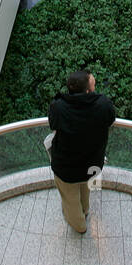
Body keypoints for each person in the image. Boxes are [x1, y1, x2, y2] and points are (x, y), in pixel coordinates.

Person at [47, 69, 115, 234]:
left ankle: (80, 226)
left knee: (70, 200)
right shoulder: (103, 105)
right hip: (93, 164)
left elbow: (53, 124)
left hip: (66, 168)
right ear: (88, 91)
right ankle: (85, 210)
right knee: (87, 188)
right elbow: (110, 119)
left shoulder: (59, 107)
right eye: (93, 84)